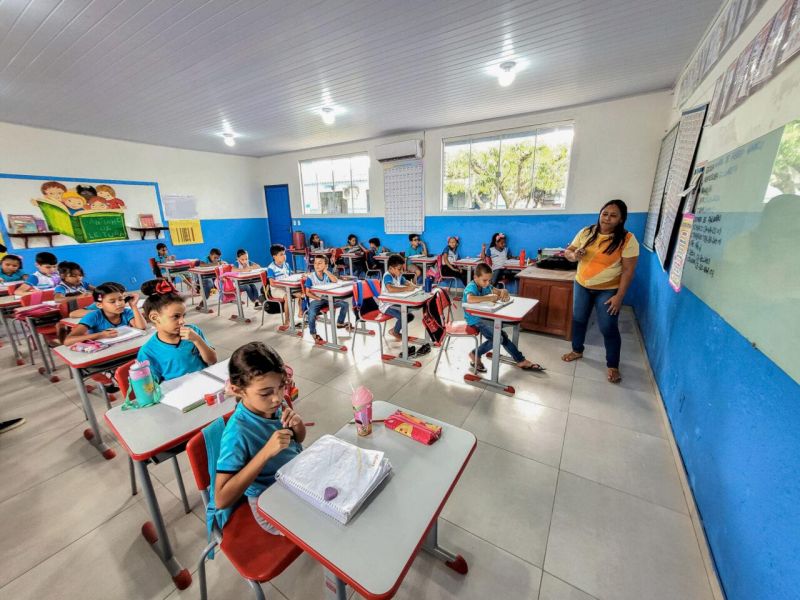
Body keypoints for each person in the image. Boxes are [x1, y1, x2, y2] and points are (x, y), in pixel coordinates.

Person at [214, 342, 305, 533]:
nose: (277, 398)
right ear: (239, 390)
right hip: (268, 500)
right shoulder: (237, 432)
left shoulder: (273, 406)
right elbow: (221, 499)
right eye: (266, 393)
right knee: (327, 524)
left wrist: (297, 425)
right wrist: (265, 453)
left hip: (294, 477)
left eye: (281, 387)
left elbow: (298, 440)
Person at [562, 199, 639, 383]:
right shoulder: (587, 232)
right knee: (579, 319)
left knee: (607, 326)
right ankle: (577, 350)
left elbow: (628, 271)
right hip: (582, 284)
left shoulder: (628, 240)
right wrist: (574, 255)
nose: (607, 218)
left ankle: (612, 364)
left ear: (621, 219)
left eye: (613, 216)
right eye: (605, 214)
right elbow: (568, 252)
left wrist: (619, 297)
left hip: (608, 290)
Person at [464, 263, 544, 372]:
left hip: (486, 317)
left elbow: (498, 291)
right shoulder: (471, 286)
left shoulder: (487, 286)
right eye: (484, 280)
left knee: (501, 336)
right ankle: (475, 354)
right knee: (499, 337)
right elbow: (470, 299)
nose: (487, 283)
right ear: (475, 277)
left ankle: (520, 360)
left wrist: (503, 292)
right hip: (475, 319)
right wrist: (487, 298)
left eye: (489, 280)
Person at [136, 279, 217, 382]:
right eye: (176, 316)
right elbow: (150, 386)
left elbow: (212, 360)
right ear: (155, 318)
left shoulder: (193, 331)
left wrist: (197, 340)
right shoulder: (148, 352)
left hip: (204, 382)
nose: (182, 321)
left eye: (183, 316)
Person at [63, 282, 147, 345]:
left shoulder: (126, 312)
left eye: (121, 299)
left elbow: (141, 327)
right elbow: (68, 341)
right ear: (99, 305)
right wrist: (100, 335)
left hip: (123, 346)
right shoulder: (93, 316)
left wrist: (134, 306)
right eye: (112, 301)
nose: (119, 304)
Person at [305, 255, 351, 344]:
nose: (317, 265)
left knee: (345, 304)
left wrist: (327, 271)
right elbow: (307, 293)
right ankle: (314, 334)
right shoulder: (311, 277)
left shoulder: (326, 275)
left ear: (326, 265)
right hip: (315, 300)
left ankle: (340, 323)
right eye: (315, 263)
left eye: (320, 263)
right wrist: (317, 298)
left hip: (327, 299)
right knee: (311, 315)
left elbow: (335, 280)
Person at [379, 254, 417, 341]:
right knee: (404, 316)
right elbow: (390, 289)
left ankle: (394, 330)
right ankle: (395, 332)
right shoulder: (387, 275)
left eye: (402, 268)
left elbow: (406, 282)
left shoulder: (398, 275)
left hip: (396, 303)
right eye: (399, 269)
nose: (402, 271)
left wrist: (413, 286)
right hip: (386, 305)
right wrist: (408, 288)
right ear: (391, 268)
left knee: (409, 316)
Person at [267, 243, 301, 327]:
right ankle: (287, 320)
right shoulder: (271, 268)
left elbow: (291, 276)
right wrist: (283, 285)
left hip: (287, 287)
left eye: (284, 254)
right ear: (274, 256)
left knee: (302, 294)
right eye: (281, 254)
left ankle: (301, 313)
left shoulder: (286, 265)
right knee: (287, 297)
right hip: (276, 290)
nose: (284, 256)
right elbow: (272, 283)